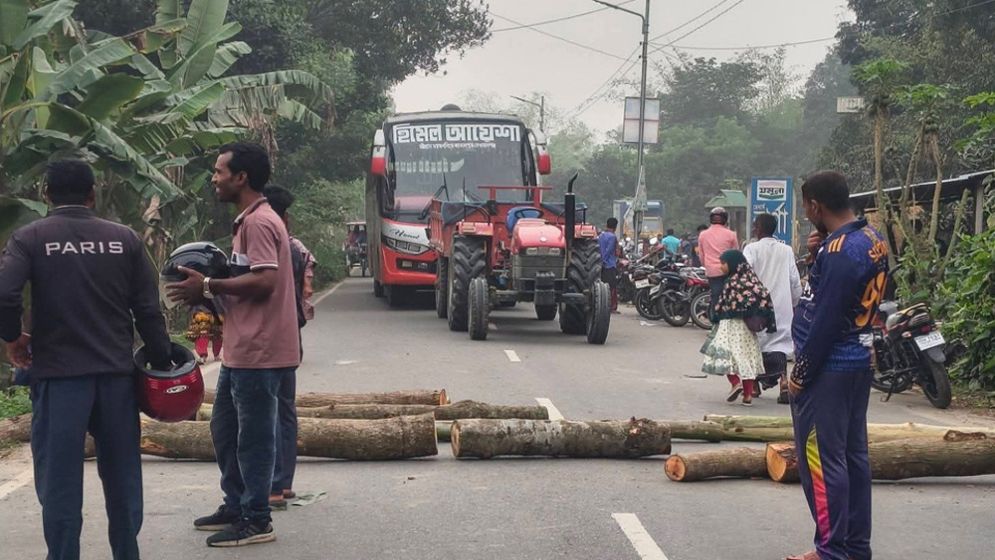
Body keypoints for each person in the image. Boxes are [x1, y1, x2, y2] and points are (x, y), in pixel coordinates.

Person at [0, 159, 172, 560]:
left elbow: (5, 294)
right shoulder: (125, 239)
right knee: (122, 476)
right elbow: (148, 308)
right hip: (115, 378)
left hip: (59, 379)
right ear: (92, 195)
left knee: (59, 480)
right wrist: (162, 361)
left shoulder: (31, 237)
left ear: (46, 196)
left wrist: (13, 338)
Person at [167, 143, 300, 548]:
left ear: (241, 177)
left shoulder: (261, 221)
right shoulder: (247, 221)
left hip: (261, 352)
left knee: (254, 437)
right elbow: (246, 285)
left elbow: (265, 281)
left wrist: (206, 284)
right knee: (224, 427)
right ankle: (237, 503)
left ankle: (257, 518)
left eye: (219, 170)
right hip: (243, 349)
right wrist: (209, 295)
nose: (214, 177)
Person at [786, 171, 888, 560]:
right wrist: (818, 254)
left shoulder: (839, 251)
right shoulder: (871, 239)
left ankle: (830, 551)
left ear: (815, 205)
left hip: (829, 367)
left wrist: (801, 373)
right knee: (853, 457)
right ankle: (854, 546)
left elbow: (826, 320)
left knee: (822, 461)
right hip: (858, 359)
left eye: (807, 205)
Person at [262, 185, 317, 507]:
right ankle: (282, 483)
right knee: (284, 408)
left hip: (268, 337)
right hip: (290, 334)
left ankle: (271, 484)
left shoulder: (272, 245)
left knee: (264, 411)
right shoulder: (295, 247)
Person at [699, 250, 775, 406]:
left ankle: (735, 382)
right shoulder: (752, 280)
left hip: (730, 325)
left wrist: (715, 315)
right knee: (745, 358)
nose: (720, 267)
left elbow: (722, 304)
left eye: (723, 263)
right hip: (747, 328)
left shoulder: (731, 281)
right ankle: (747, 396)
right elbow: (764, 296)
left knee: (725, 355)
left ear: (732, 264)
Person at [743, 214, 803, 404]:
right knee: (781, 345)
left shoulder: (751, 249)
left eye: (755, 226)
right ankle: (784, 381)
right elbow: (794, 279)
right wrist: (795, 301)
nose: (753, 229)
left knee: (754, 343)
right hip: (782, 305)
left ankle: (753, 385)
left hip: (758, 306)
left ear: (759, 228)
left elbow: (744, 274)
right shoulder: (786, 251)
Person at [698, 208, 739, 305]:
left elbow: (701, 255)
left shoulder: (703, 235)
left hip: (712, 271)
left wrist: (707, 265)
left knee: (715, 295)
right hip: (728, 271)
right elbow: (736, 253)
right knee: (729, 295)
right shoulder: (731, 234)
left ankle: (715, 315)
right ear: (725, 219)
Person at [598, 218, 621, 313]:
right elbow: (609, 250)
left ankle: (603, 305)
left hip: (601, 264)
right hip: (610, 265)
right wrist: (605, 260)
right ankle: (611, 307)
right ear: (615, 227)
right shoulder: (612, 237)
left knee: (603, 286)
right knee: (612, 287)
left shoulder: (601, 236)